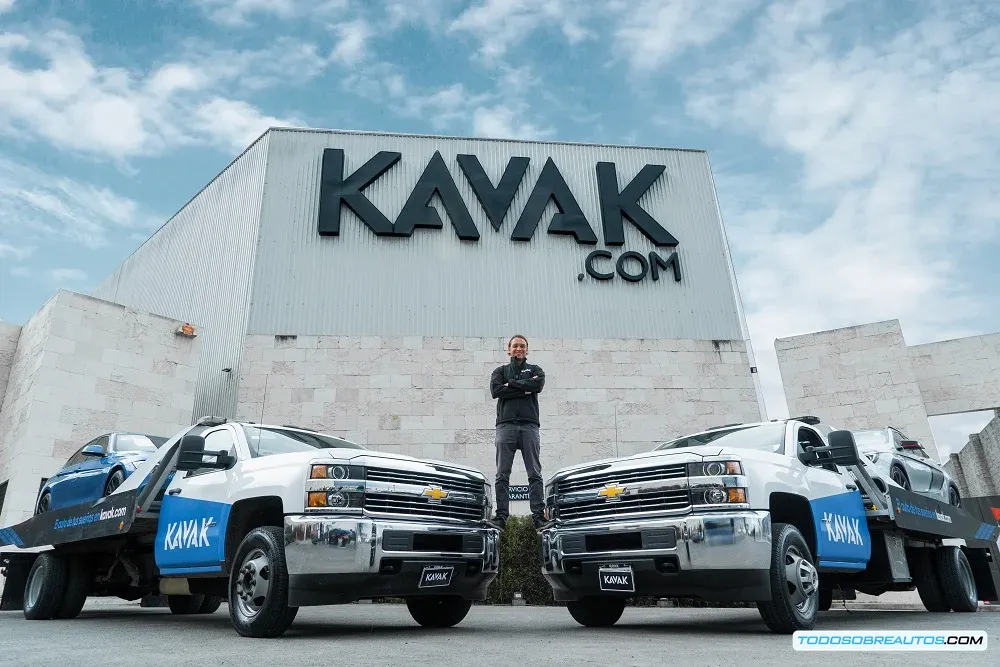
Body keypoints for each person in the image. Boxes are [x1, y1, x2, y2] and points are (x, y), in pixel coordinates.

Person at [490, 334, 546, 529]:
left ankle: (538, 516)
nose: (518, 349)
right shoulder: (500, 371)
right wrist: (525, 388)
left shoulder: (536, 370)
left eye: (522, 346)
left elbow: (537, 385)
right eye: (515, 346)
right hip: (505, 427)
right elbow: (496, 390)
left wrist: (511, 384)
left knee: (535, 474)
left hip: (530, 426)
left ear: (527, 350)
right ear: (509, 349)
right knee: (502, 475)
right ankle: (501, 517)